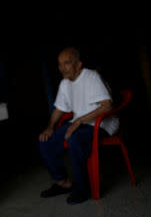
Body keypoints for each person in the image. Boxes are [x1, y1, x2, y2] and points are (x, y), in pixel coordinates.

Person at [38, 47, 119, 205]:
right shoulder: (65, 84)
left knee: (75, 139)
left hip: (101, 124)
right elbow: (59, 110)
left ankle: (84, 188)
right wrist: (50, 127)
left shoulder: (92, 77)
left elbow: (107, 105)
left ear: (79, 64)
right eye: (60, 64)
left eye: (67, 63)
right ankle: (64, 183)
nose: (62, 67)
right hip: (80, 123)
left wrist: (78, 121)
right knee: (45, 140)